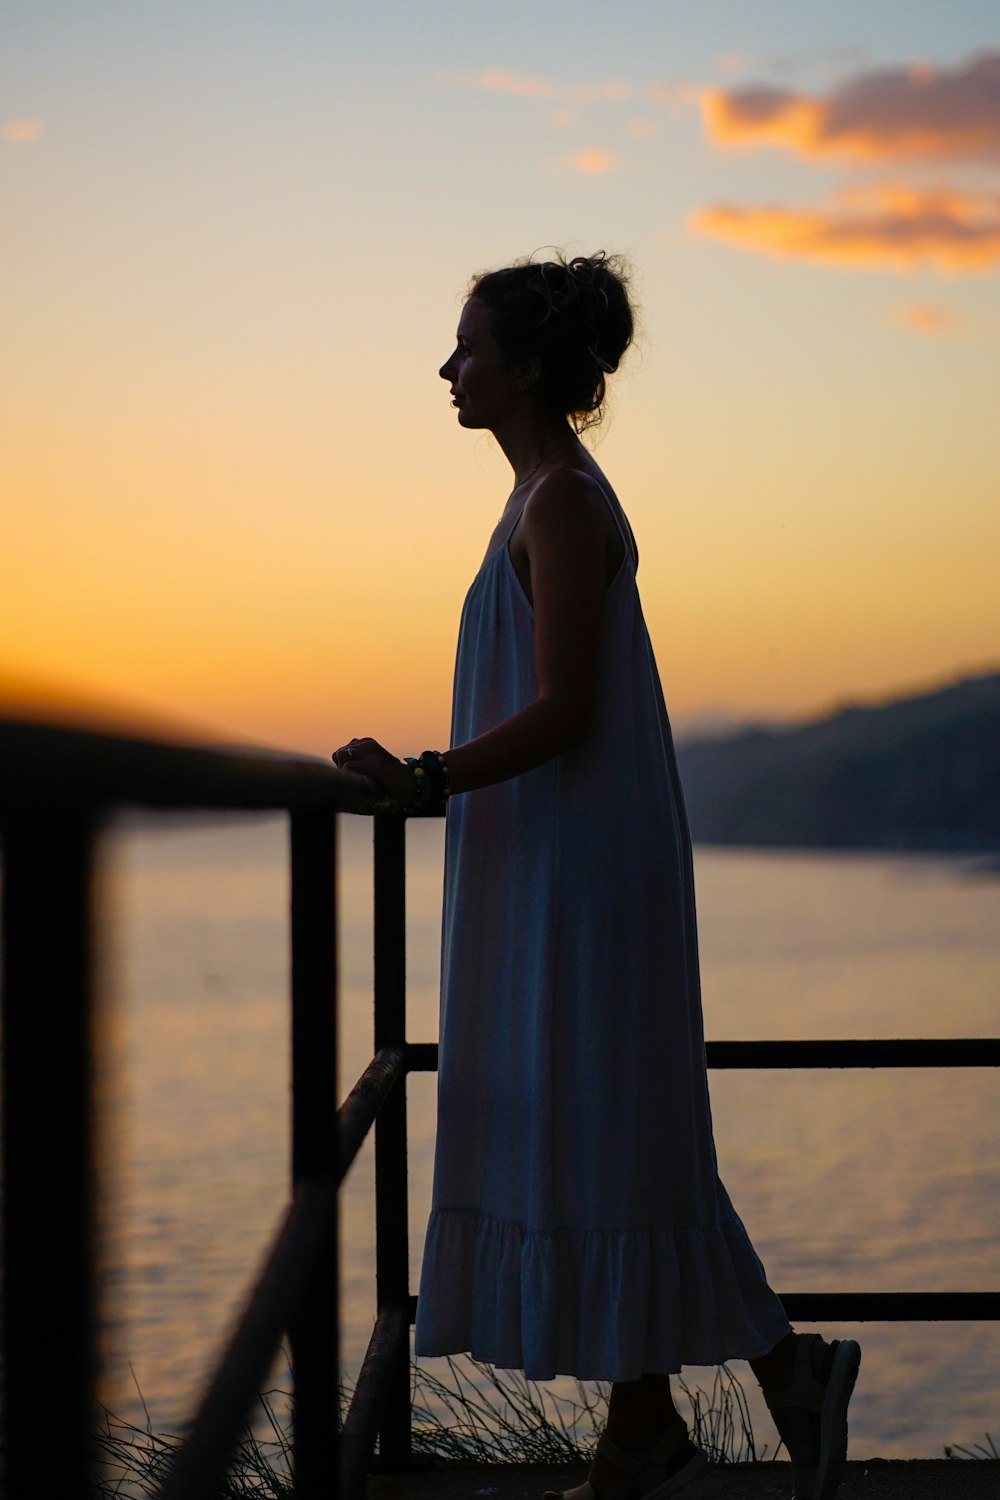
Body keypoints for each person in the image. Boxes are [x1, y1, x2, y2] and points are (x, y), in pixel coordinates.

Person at [333, 251, 860, 1500]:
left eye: (466, 348)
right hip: (561, 863)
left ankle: (779, 1375)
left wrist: (425, 776)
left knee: (610, 1128)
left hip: (578, 875)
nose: (448, 369)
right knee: (606, 1127)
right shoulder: (539, 496)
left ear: (521, 366)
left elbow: (568, 707)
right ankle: (651, 1429)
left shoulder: (560, 500)